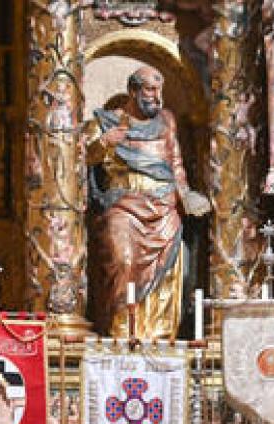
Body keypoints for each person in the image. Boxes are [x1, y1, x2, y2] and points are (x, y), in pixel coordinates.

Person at [85, 66, 210, 340]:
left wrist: (186, 194)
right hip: (123, 206)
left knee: (171, 270)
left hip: (164, 207)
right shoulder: (106, 122)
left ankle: (160, 333)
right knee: (122, 259)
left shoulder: (167, 122)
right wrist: (104, 142)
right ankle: (122, 330)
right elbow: (79, 160)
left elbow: (175, 165)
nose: (157, 97)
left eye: (159, 90)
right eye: (150, 90)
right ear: (133, 90)